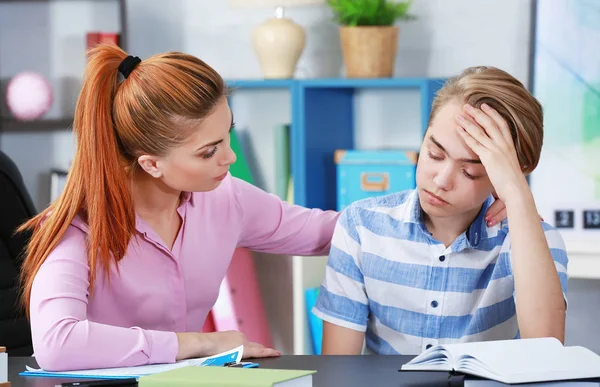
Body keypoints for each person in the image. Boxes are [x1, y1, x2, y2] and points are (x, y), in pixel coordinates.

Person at [18, 45, 343, 372]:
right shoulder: (76, 228)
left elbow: (330, 232)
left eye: (227, 135)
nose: (230, 158)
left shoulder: (225, 198)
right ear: (151, 164)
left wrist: (393, 215)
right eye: (208, 152)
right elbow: (57, 344)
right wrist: (199, 343)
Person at [313, 66, 568, 355]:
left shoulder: (536, 241)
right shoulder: (362, 226)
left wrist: (518, 195)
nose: (441, 180)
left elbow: (547, 351)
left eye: (470, 172)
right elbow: (339, 370)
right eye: (434, 153)